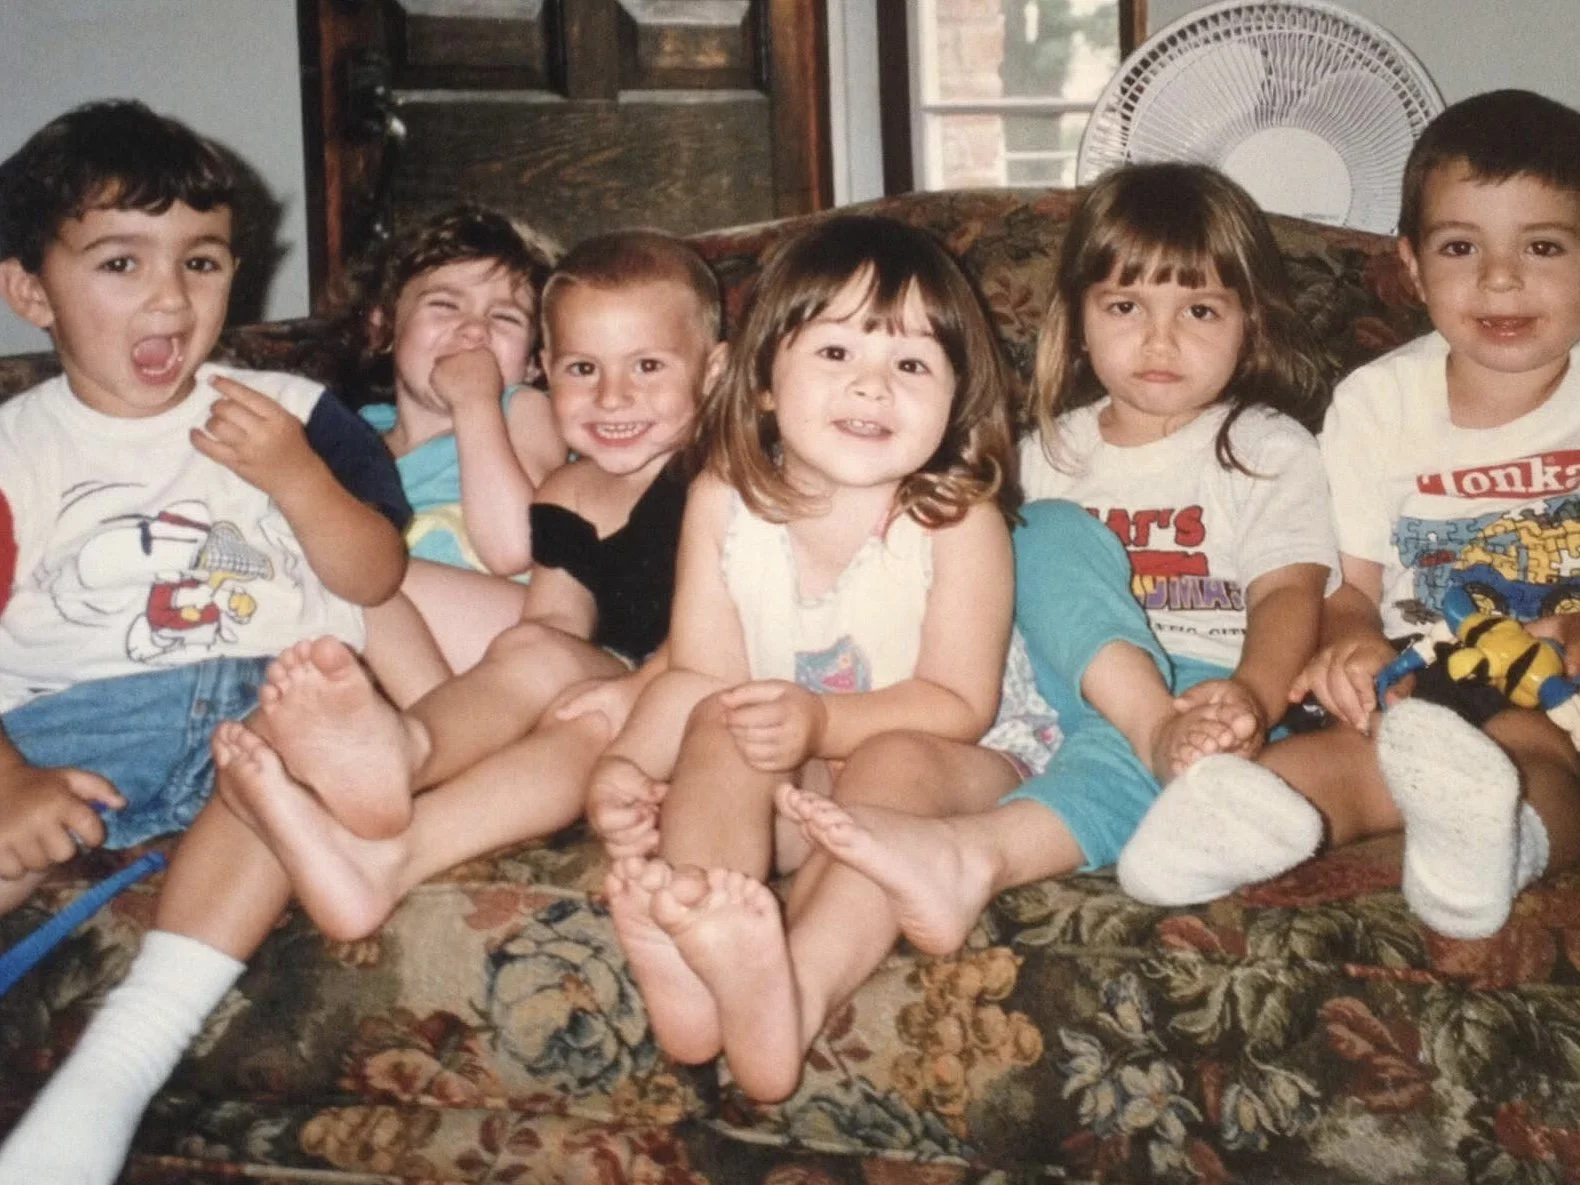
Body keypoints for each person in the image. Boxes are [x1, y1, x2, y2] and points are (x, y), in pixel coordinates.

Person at [765, 165, 1339, 1074]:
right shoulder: (1044, 454)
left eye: (1199, 310)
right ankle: (781, 974)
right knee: (1040, 529)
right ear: (1075, 318)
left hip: (1196, 682)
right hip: (1035, 693)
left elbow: (1288, 594)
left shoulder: (1266, 447)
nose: (1160, 338)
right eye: (1126, 307)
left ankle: (974, 857)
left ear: (1251, 323)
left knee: (1130, 752)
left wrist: (1252, 697)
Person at [0, 100, 410, 1181]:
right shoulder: (14, 450)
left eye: (202, 260)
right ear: (31, 291)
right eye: (120, 263)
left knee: (286, 773)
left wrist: (295, 478)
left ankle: (112, 1071)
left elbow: (374, 575)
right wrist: (6, 779)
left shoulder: (295, 413)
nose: (171, 298)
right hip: (74, 732)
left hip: (272, 708)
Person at [1118, 90, 1580, 941]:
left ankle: (1496, 845)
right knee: (1357, 754)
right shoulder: (1377, 403)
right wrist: (1354, 641)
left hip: (1555, 697)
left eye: (1543, 246)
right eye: (1461, 247)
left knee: (1534, 758)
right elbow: (1349, 587)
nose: (1501, 277)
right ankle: (1219, 825)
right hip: (1422, 681)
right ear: (1412, 266)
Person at [585, 214, 1021, 1102]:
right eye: (835, 352)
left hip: (956, 766)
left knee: (892, 761)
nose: (872, 385)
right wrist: (624, 766)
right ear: (764, 380)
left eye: (911, 364)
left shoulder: (956, 520)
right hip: (803, 787)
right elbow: (700, 679)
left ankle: (796, 993)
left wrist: (821, 721)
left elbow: (960, 703)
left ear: (956, 399)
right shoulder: (722, 501)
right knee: (724, 720)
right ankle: (700, 947)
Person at [204, 228, 725, 943]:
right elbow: (554, 623)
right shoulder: (569, 490)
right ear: (550, 370)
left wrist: (636, 691)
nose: (612, 396)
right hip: (606, 685)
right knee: (546, 667)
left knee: (584, 714)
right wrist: (564, 687)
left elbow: (735, 629)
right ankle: (396, 807)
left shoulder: (724, 476)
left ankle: (406, 780)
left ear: (715, 371)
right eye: (583, 368)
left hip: (698, 685)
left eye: (647, 366)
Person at [344, 205, 567, 675]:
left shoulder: (522, 410)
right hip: (405, 658)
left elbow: (514, 547)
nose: (474, 329)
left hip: (521, 634)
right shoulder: (350, 439)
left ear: (533, 363)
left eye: (505, 317)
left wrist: (475, 404)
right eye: (445, 305)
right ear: (383, 328)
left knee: (346, 573)